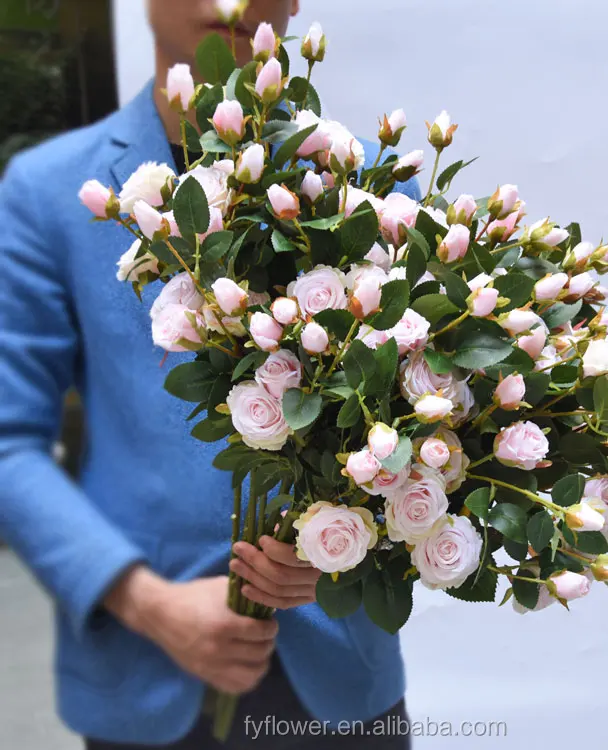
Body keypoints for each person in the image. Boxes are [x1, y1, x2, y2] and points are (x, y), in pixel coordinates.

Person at [0, 1, 419, 748]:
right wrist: (143, 601)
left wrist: (353, 539)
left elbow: (430, 420)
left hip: (343, 678)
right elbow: (8, 442)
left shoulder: (376, 189)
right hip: (146, 669)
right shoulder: (49, 192)